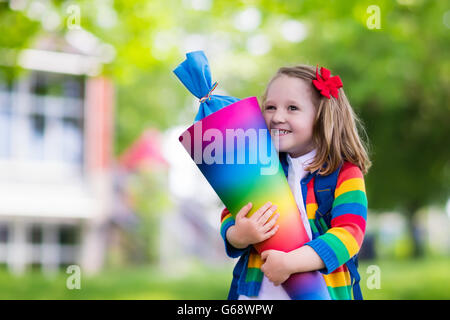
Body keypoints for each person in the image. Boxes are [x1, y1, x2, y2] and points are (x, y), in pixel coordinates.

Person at [220, 64, 372, 300]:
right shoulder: (258, 167)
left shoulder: (344, 173)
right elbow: (231, 212)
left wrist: (291, 262)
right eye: (270, 107)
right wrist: (239, 235)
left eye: (292, 108)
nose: (277, 117)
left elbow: (350, 233)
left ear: (322, 116)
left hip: (323, 292)